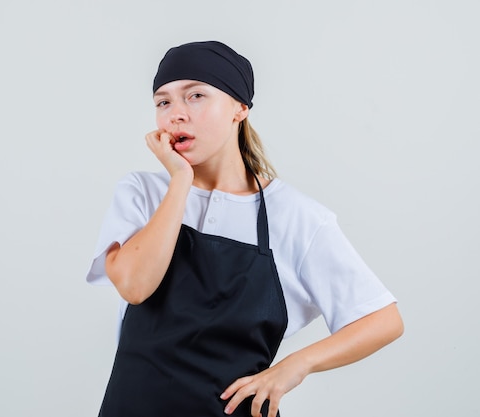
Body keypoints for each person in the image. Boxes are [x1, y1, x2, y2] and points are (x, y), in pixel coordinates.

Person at [86, 41, 403, 417]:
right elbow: (136, 286)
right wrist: (180, 181)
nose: (176, 114)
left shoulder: (296, 217)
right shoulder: (143, 192)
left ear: (240, 108)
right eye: (163, 102)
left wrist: (293, 368)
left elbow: (383, 320)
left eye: (196, 95)